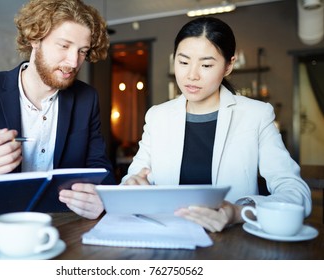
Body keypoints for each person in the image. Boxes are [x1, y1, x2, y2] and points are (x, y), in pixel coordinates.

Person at [0, 0, 116, 227]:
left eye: (82, 51)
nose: (73, 62)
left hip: (59, 229)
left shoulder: (86, 99)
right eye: (64, 46)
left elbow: (101, 170)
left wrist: (102, 198)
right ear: (35, 39)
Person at [121, 16, 312, 232]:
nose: (191, 75)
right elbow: (132, 179)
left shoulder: (255, 115)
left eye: (206, 65)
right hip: (166, 234)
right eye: (183, 62)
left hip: (232, 245)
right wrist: (133, 186)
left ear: (229, 65)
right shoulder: (157, 116)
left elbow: (296, 193)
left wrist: (239, 212)